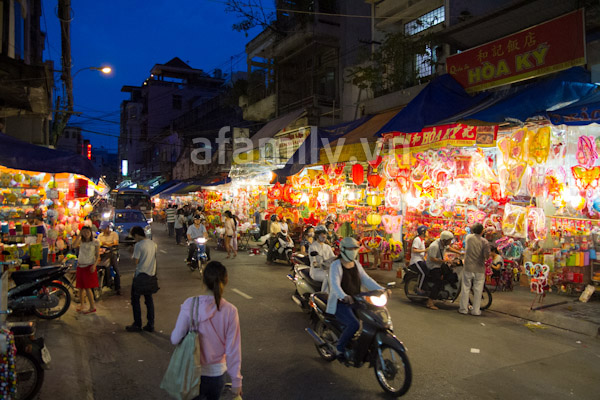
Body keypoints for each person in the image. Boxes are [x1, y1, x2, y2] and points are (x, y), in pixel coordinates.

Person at [170, 261, 242, 399]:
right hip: (216, 375)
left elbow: (175, 339)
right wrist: (236, 381)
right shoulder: (230, 311)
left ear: (203, 281)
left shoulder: (190, 304)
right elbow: (233, 350)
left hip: (191, 373)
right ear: (226, 280)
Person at [327, 237, 383, 361]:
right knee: (354, 324)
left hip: (356, 299)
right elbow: (334, 285)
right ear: (342, 250)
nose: (353, 251)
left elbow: (366, 279)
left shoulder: (356, 264)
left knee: (374, 318)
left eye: (355, 248)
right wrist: (344, 296)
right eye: (350, 249)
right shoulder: (335, 265)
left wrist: (381, 289)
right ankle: (339, 348)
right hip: (340, 302)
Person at [126, 226, 157, 332]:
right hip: (151, 275)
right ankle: (150, 324)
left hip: (140, 276)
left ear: (137, 235)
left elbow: (136, 261)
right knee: (149, 300)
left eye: (134, 237)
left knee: (135, 300)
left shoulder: (138, 245)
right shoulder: (152, 244)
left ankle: (137, 324)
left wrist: (132, 253)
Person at [459, 223, 491, 316]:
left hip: (468, 266)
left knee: (465, 288)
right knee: (478, 290)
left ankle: (463, 309)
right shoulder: (484, 241)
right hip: (479, 268)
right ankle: (476, 311)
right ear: (482, 231)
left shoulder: (468, 237)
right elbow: (487, 255)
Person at [425, 231, 461, 310]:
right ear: (445, 240)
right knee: (438, 281)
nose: (450, 242)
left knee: (451, 275)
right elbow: (432, 258)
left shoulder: (443, 244)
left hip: (439, 264)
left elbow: (449, 248)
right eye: (449, 240)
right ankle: (430, 302)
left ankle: (444, 293)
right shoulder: (434, 246)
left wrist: (460, 252)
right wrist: (446, 261)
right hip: (433, 266)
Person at [73, 226, 99, 314]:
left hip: (89, 266)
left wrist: (94, 265)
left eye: (88, 232)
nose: (86, 234)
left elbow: (97, 255)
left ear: (91, 233)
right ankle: (82, 305)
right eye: (84, 232)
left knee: (88, 288)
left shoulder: (95, 242)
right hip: (80, 265)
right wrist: (79, 235)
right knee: (80, 288)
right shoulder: (81, 241)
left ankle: (92, 307)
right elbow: (73, 245)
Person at [97, 221, 121, 295]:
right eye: (102, 229)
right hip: (102, 254)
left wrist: (106, 244)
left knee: (115, 269)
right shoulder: (100, 236)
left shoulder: (114, 234)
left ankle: (118, 287)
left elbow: (115, 243)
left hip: (112, 253)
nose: (103, 230)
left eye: (104, 228)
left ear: (108, 227)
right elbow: (97, 245)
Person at [409, 226, 429, 293]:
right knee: (423, 273)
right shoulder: (417, 239)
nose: (428, 232)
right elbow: (414, 250)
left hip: (420, 260)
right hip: (416, 261)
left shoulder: (422, 240)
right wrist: (425, 250)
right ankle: (419, 288)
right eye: (427, 231)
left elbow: (421, 253)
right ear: (423, 232)